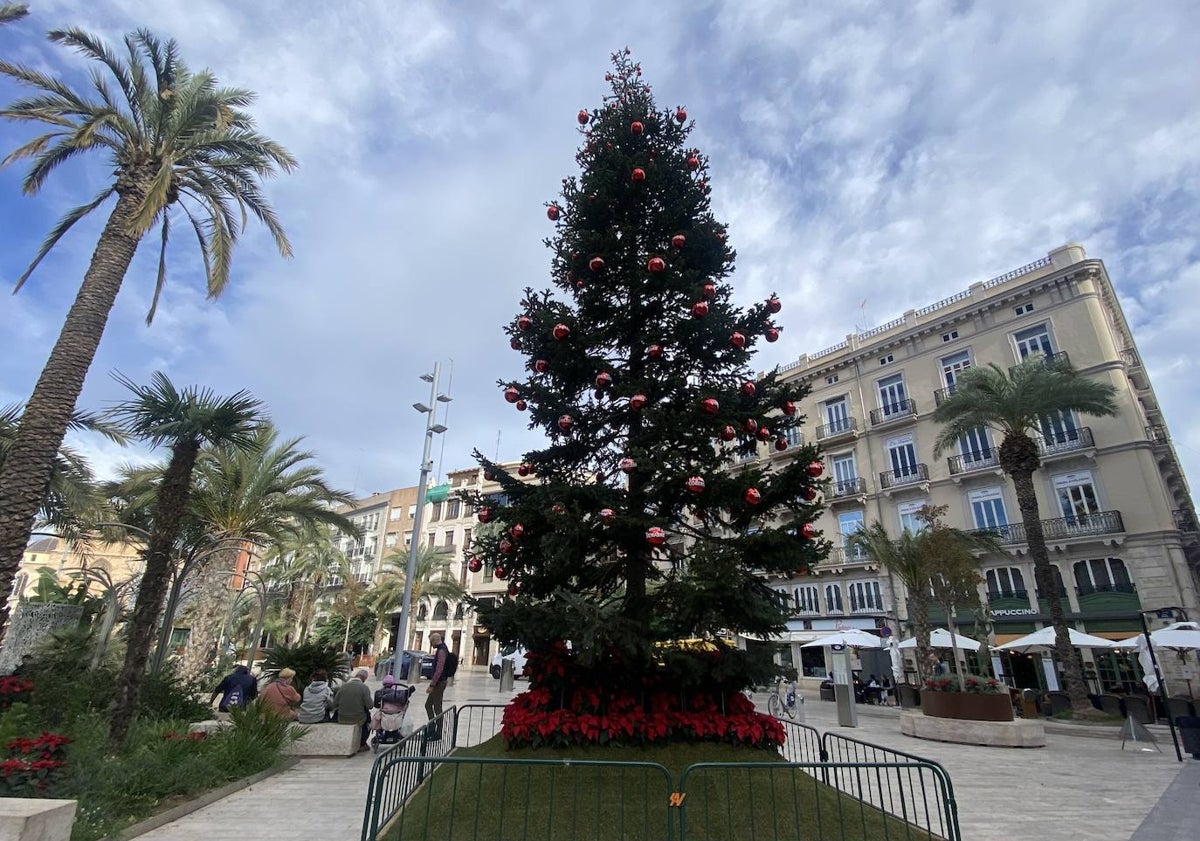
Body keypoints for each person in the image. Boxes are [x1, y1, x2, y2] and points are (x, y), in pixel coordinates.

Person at [334, 668, 374, 751]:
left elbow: (335, 703)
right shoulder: (364, 688)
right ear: (364, 679)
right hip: (357, 718)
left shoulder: (343, 686)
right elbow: (370, 706)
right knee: (368, 719)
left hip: (342, 717)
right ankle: (362, 744)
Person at [424, 633, 452, 731]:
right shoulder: (443, 649)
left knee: (437, 707)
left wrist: (432, 684)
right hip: (439, 682)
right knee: (428, 705)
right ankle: (432, 727)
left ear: (435, 640)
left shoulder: (441, 650)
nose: (431, 644)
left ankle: (438, 731)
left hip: (439, 683)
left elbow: (439, 669)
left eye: (431, 642)